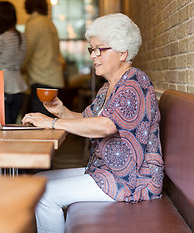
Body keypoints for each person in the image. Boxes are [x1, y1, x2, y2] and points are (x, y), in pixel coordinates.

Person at [22, 13, 164, 233]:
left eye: (100, 49)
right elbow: (89, 120)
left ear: (122, 52)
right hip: (105, 171)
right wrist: (61, 111)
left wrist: (52, 124)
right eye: (92, 49)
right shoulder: (109, 87)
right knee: (39, 181)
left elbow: (106, 126)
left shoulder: (135, 82)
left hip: (131, 180)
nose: (93, 56)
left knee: (45, 196)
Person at [23, 0, 64, 116]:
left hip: (42, 78)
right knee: (50, 123)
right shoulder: (50, 24)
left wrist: (20, 68)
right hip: (55, 78)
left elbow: (27, 52)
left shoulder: (33, 24)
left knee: (40, 126)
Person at [0, 1, 28, 124]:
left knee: (3, 128)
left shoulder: (0, 39)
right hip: (19, 86)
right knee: (13, 127)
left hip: (2, 86)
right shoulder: (22, 37)